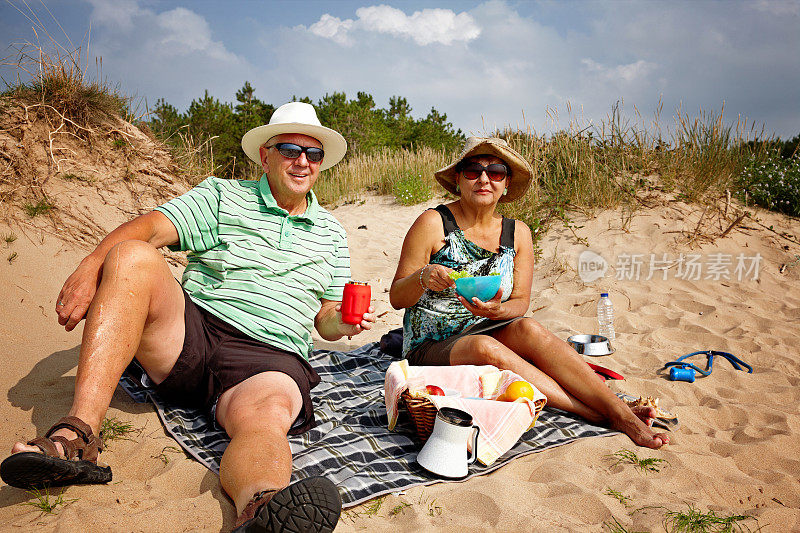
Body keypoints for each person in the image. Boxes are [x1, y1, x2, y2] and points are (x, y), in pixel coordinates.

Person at [0, 102, 374, 532]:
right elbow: (149, 229)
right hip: (191, 332)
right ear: (265, 155)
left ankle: (260, 510)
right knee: (132, 255)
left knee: (267, 414)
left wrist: (340, 324)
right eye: (290, 149)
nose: (302, 161)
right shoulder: (223, 195)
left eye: (314, 154)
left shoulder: (331, 233)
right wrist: (92, 265)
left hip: (268, 358)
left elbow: (325, 316)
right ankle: (78, 434)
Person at [389, 136, 668, 449]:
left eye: (495, 172)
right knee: (484, 347)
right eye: (472, 170)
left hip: (486, 325)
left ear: (506, 184)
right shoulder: (433, 223)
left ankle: (613, 407)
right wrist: (423, 277)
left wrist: (498, 311)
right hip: (430, 345)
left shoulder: (517, 233)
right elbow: (397, 297)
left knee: (530, 328)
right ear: (457, 179)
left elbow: (520, 302)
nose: (484, 179)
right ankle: (602, 414)